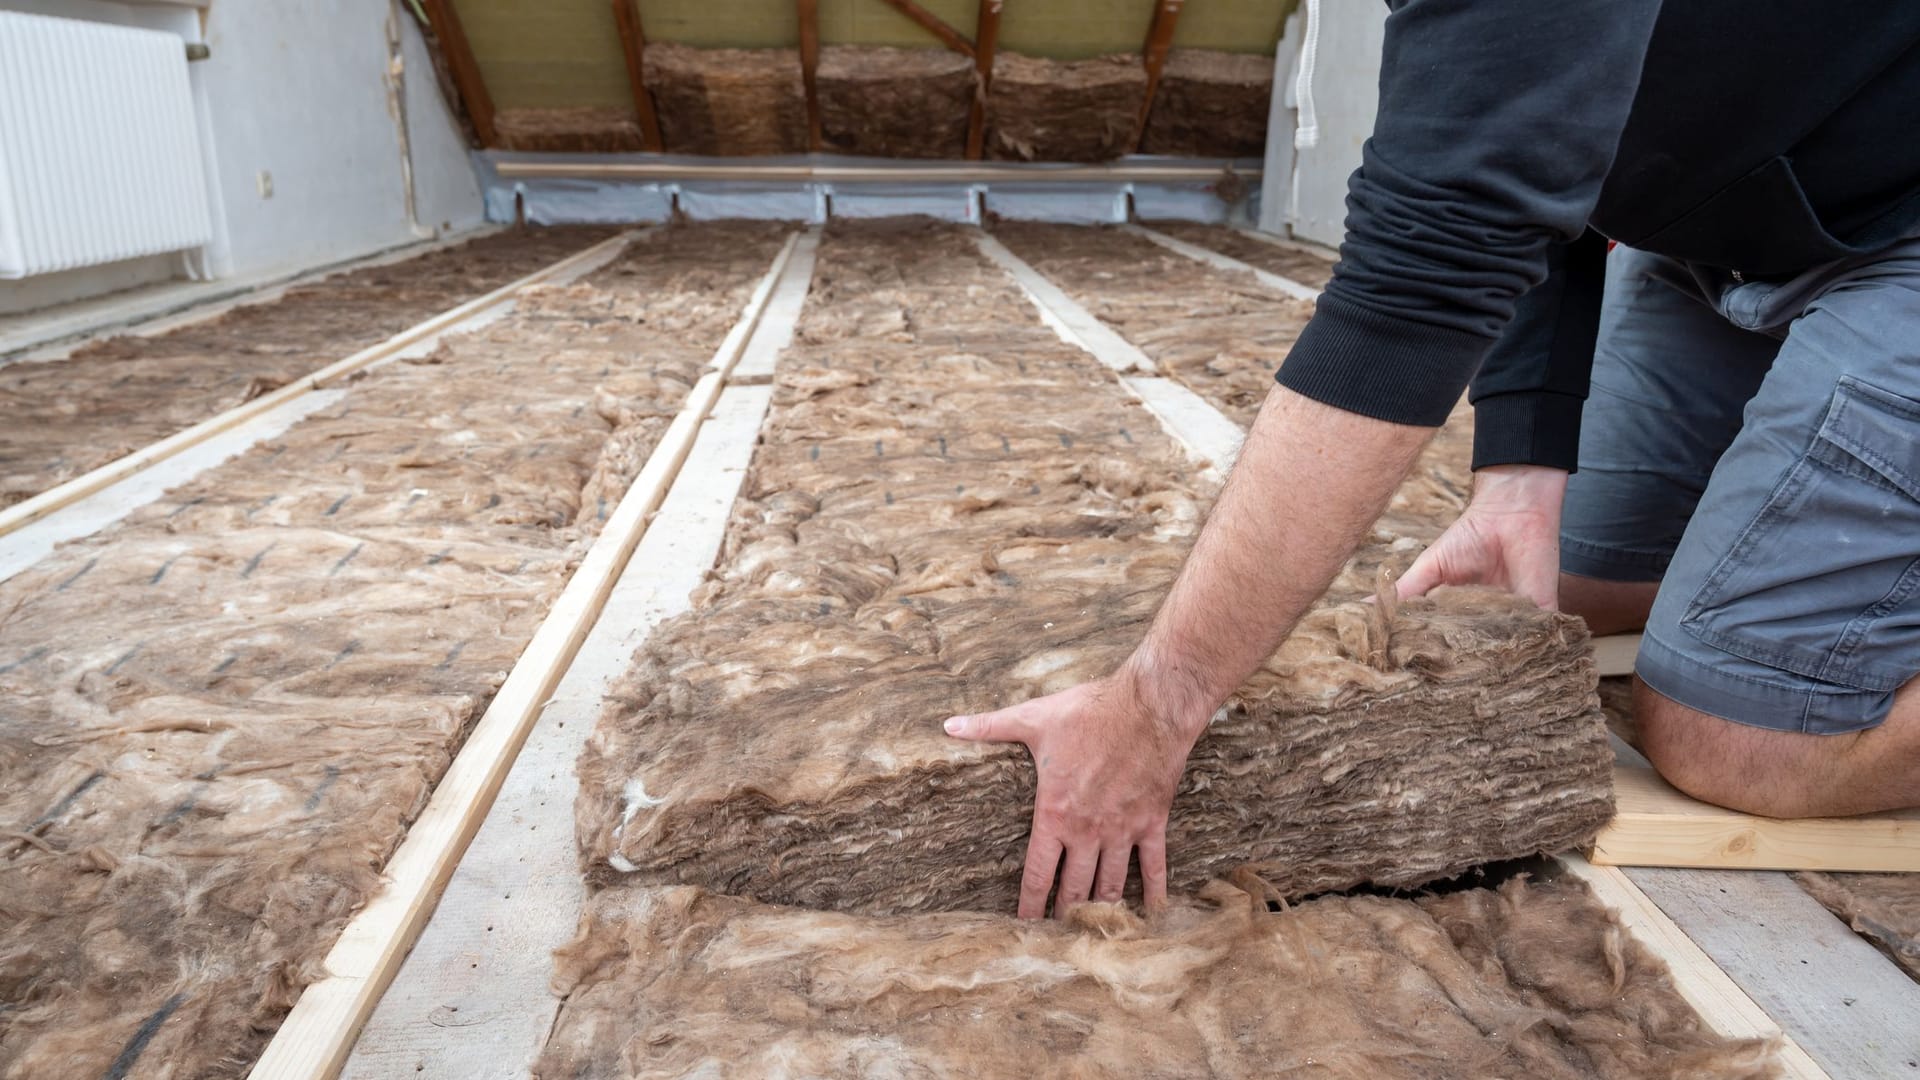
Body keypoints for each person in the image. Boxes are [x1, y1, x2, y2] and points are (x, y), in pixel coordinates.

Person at [944, 1, 1920, 919]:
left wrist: (1162, 700)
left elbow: (1421, 287)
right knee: (1570, 581)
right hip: (1746, 231)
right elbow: (1530, 154)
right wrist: (1520, 472)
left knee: (1736, 739)